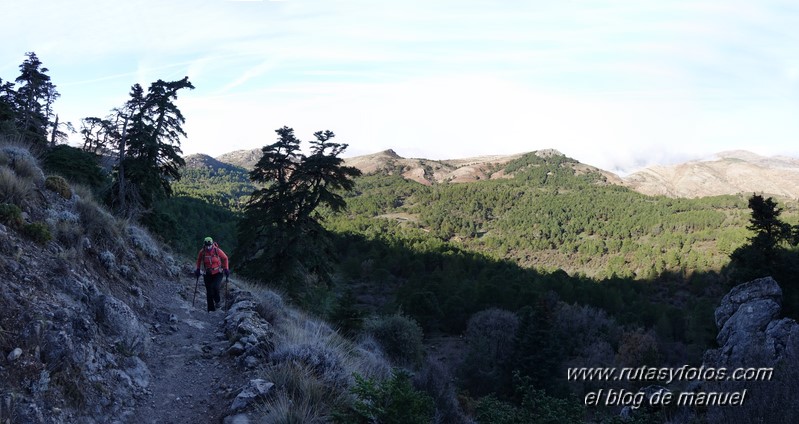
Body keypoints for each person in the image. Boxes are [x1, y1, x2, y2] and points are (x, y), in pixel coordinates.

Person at [194, 237, 230, 312]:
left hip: (218, 272)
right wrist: (197, 269)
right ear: (204, 245)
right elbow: (199, 260)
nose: (208, 247)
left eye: (209, 245)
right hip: (207, 273)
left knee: (215, 287)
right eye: (207, 245)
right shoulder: (202, 252)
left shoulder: (217, 250)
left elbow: (225, 258)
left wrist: (226, 268)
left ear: (212, 244)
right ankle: (210, 310)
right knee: (209, 291)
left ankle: (217, 301)